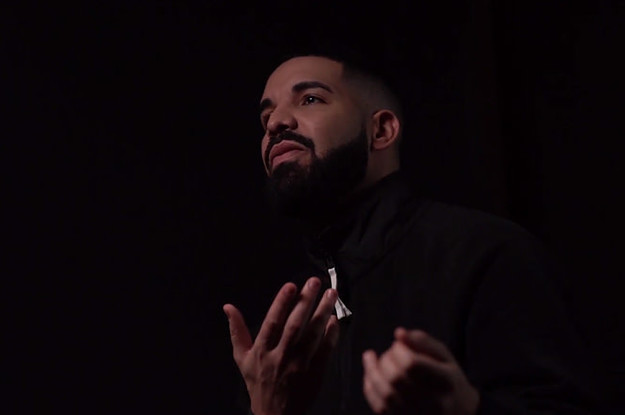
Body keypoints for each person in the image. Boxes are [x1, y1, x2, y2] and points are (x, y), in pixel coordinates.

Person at [223, 54, 604, 415]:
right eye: (266, 117)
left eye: (310, 99)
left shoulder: (486, 253)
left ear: (381, 130)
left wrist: (467, 409)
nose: (275, 123)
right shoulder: (278, 332)